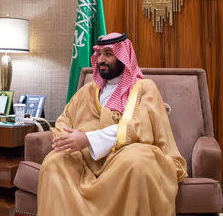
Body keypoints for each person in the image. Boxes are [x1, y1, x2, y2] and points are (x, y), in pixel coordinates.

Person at [37, 32, 186, 216]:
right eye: (99, 54)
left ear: (123, 56)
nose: (101, 59)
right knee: (53, 162)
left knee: (139, 161)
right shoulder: (88, 90)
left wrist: (88, 139)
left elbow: (139, 126)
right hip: (86, 160)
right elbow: (64, 119)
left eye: (108, 54)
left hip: (123, 155)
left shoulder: (144, 88)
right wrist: (68, 140)